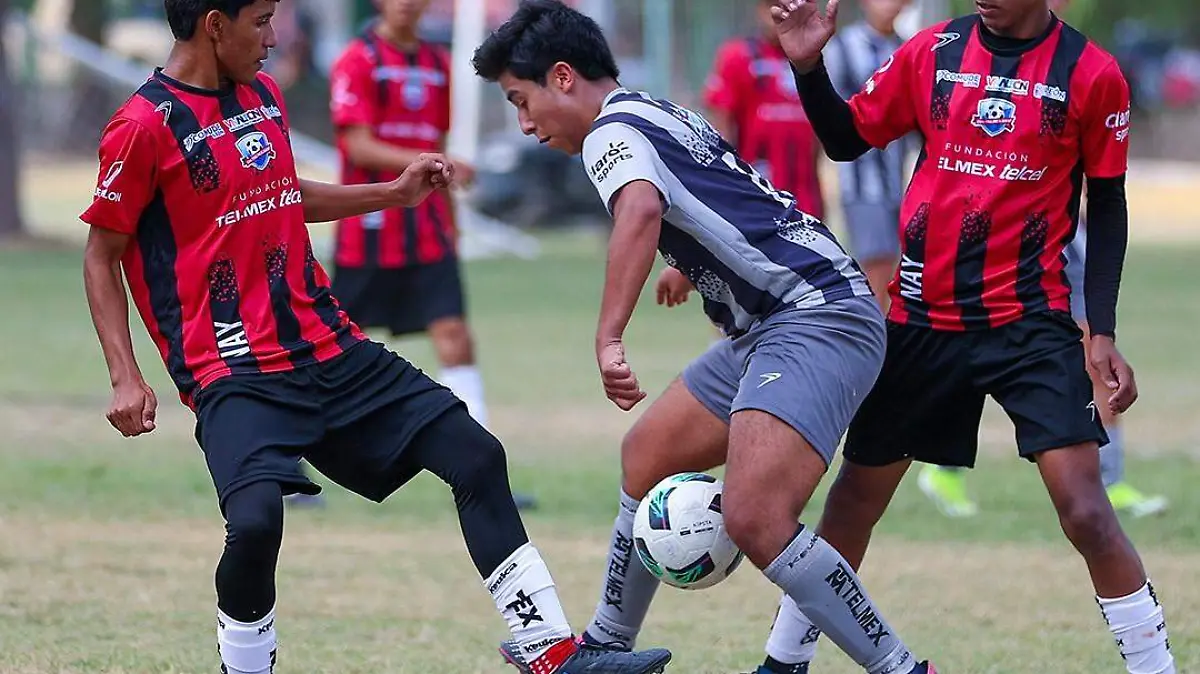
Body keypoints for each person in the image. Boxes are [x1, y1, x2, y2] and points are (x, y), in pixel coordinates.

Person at [78, 2, 671, 673]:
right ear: (215, 24)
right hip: (232, 368)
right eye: (263, 20)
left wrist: (392, 193)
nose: (276, 38)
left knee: (475, 455)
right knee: (254, 524)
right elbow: (103, 254)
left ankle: (552, 654)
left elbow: (280, 190)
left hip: (330, 345)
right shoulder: (141, 125)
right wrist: (125, 375)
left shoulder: (261, 96)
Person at [473, 3, 935, 674]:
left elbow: (640, 207)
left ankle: (903, 669)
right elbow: (728, 192)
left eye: (522, 100)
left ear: (564, 77)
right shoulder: (652, 111)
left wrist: (609, 338)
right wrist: (687, 262)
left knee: (755, 516)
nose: (524, 123)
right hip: (776, 321)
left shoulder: (609, 134)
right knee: (647, 456)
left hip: (814, 317)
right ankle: (604, 648)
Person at [756, 1, 1177, 673]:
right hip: (923, 320)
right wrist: (808, 65)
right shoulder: (932, 52)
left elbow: (1110, 200)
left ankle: (1156, 667)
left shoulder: (1092, 74)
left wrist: (1102, 329)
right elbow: (845, 139)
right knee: (854, 502)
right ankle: (782, 663)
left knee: (1087, 513)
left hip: (1031, 324)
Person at [916, 0, 1167, 521]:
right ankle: (944, 465)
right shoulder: (960, 52)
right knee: (1011, 343)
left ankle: (1109, 477)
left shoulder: (1084, 65)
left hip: (1059, 240)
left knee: (1087, 345)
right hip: (1000, 253)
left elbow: (1105, 194)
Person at [321, 0, 536, 511]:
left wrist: (452, 222)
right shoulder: (358, 59)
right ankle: (286, 460)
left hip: (427, 230)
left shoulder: (437, 65)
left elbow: (435, 139)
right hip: (369, 227)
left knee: (455, 336)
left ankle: (482, 464)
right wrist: (428, 162)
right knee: (329, 346)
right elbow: (357, 144)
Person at [822, 0, 910, 310]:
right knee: (876, 265)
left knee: (894, 269)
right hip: (861, 182)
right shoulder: (843, 47)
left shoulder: (907, 48)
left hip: (897, 184)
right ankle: (867, 341)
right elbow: (831, 113)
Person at [703, 0, 825, 222]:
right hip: (756, 193)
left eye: (789, 6)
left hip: (804, 195)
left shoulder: (812, 60)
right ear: (761, 9)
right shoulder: (737, 55)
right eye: (773, 5)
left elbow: (817, 137)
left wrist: (818, 195)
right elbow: (721, 127)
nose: (781, 13)